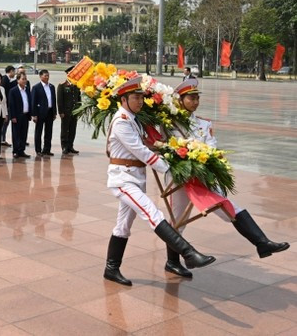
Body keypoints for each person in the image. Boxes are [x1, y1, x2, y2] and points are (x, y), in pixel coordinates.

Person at [162, 79, 289, 278]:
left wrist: (209, 157)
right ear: (180, 99)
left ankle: (262, 243)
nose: (195, 102)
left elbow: (211, 145)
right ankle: (172, 262)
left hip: (203, 176)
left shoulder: (204, 123)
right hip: (180, 178)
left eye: (197, 98)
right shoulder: (169, 123)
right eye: (191, 98)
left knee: (229, 207)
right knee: (178, 219)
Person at [103, 76, 215, 286]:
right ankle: (189, 253)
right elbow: (142, 152)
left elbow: (150, 146)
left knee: (123, 226)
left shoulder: (134, 121)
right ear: (123, 100)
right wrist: (171, 169)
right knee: (152, 214)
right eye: (135, 98)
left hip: (135, 177)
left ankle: (111, 268)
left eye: (141, 98)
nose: (139, 102)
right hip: (122, 179)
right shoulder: (121, 122)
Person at [31, 69, 57, 157]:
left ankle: (46, 149)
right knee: (39, 132)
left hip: (50, 112)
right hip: (40, 113)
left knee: (49, 131)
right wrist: (34, 114)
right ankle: (38, 150)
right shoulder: (36, 87)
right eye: (45, 75)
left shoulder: (51, 87)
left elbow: (54, 100)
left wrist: (54, 112)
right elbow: (33, 102)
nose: (47, 77)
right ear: (40, 76)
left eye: (48, 75)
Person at [57, 66, 81, 155]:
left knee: (72, 129)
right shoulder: (62, 86)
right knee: (65, 130)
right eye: (71, 73)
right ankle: (64, 147)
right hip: (66, 112)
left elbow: (79, 99)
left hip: (74, 112)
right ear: (67, 74)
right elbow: (59, 100)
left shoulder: (76, 86)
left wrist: (79, 110)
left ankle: (70, 146)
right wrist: (61, 112)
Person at [8, 73, 32, 159]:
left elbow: (29, 102)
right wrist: (13, 116)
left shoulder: (27, 89)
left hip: (25, 115)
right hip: (17, 116)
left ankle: (21, 150)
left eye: (25, 79)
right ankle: (15, 151)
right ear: (18, 80)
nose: (24, 80)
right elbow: (11, 105)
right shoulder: (13, 91)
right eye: (23, 79)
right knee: (16, 134)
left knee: (23, 133)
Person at [0, 65, 16, 147]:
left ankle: (3, 138)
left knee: (6, 123)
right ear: (10, 71)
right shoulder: (4, 79)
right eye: (14, 71)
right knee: (4, 122)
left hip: (7, 105)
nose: (15, 73)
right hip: (5, 105)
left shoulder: (8, 80)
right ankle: (1, 139)